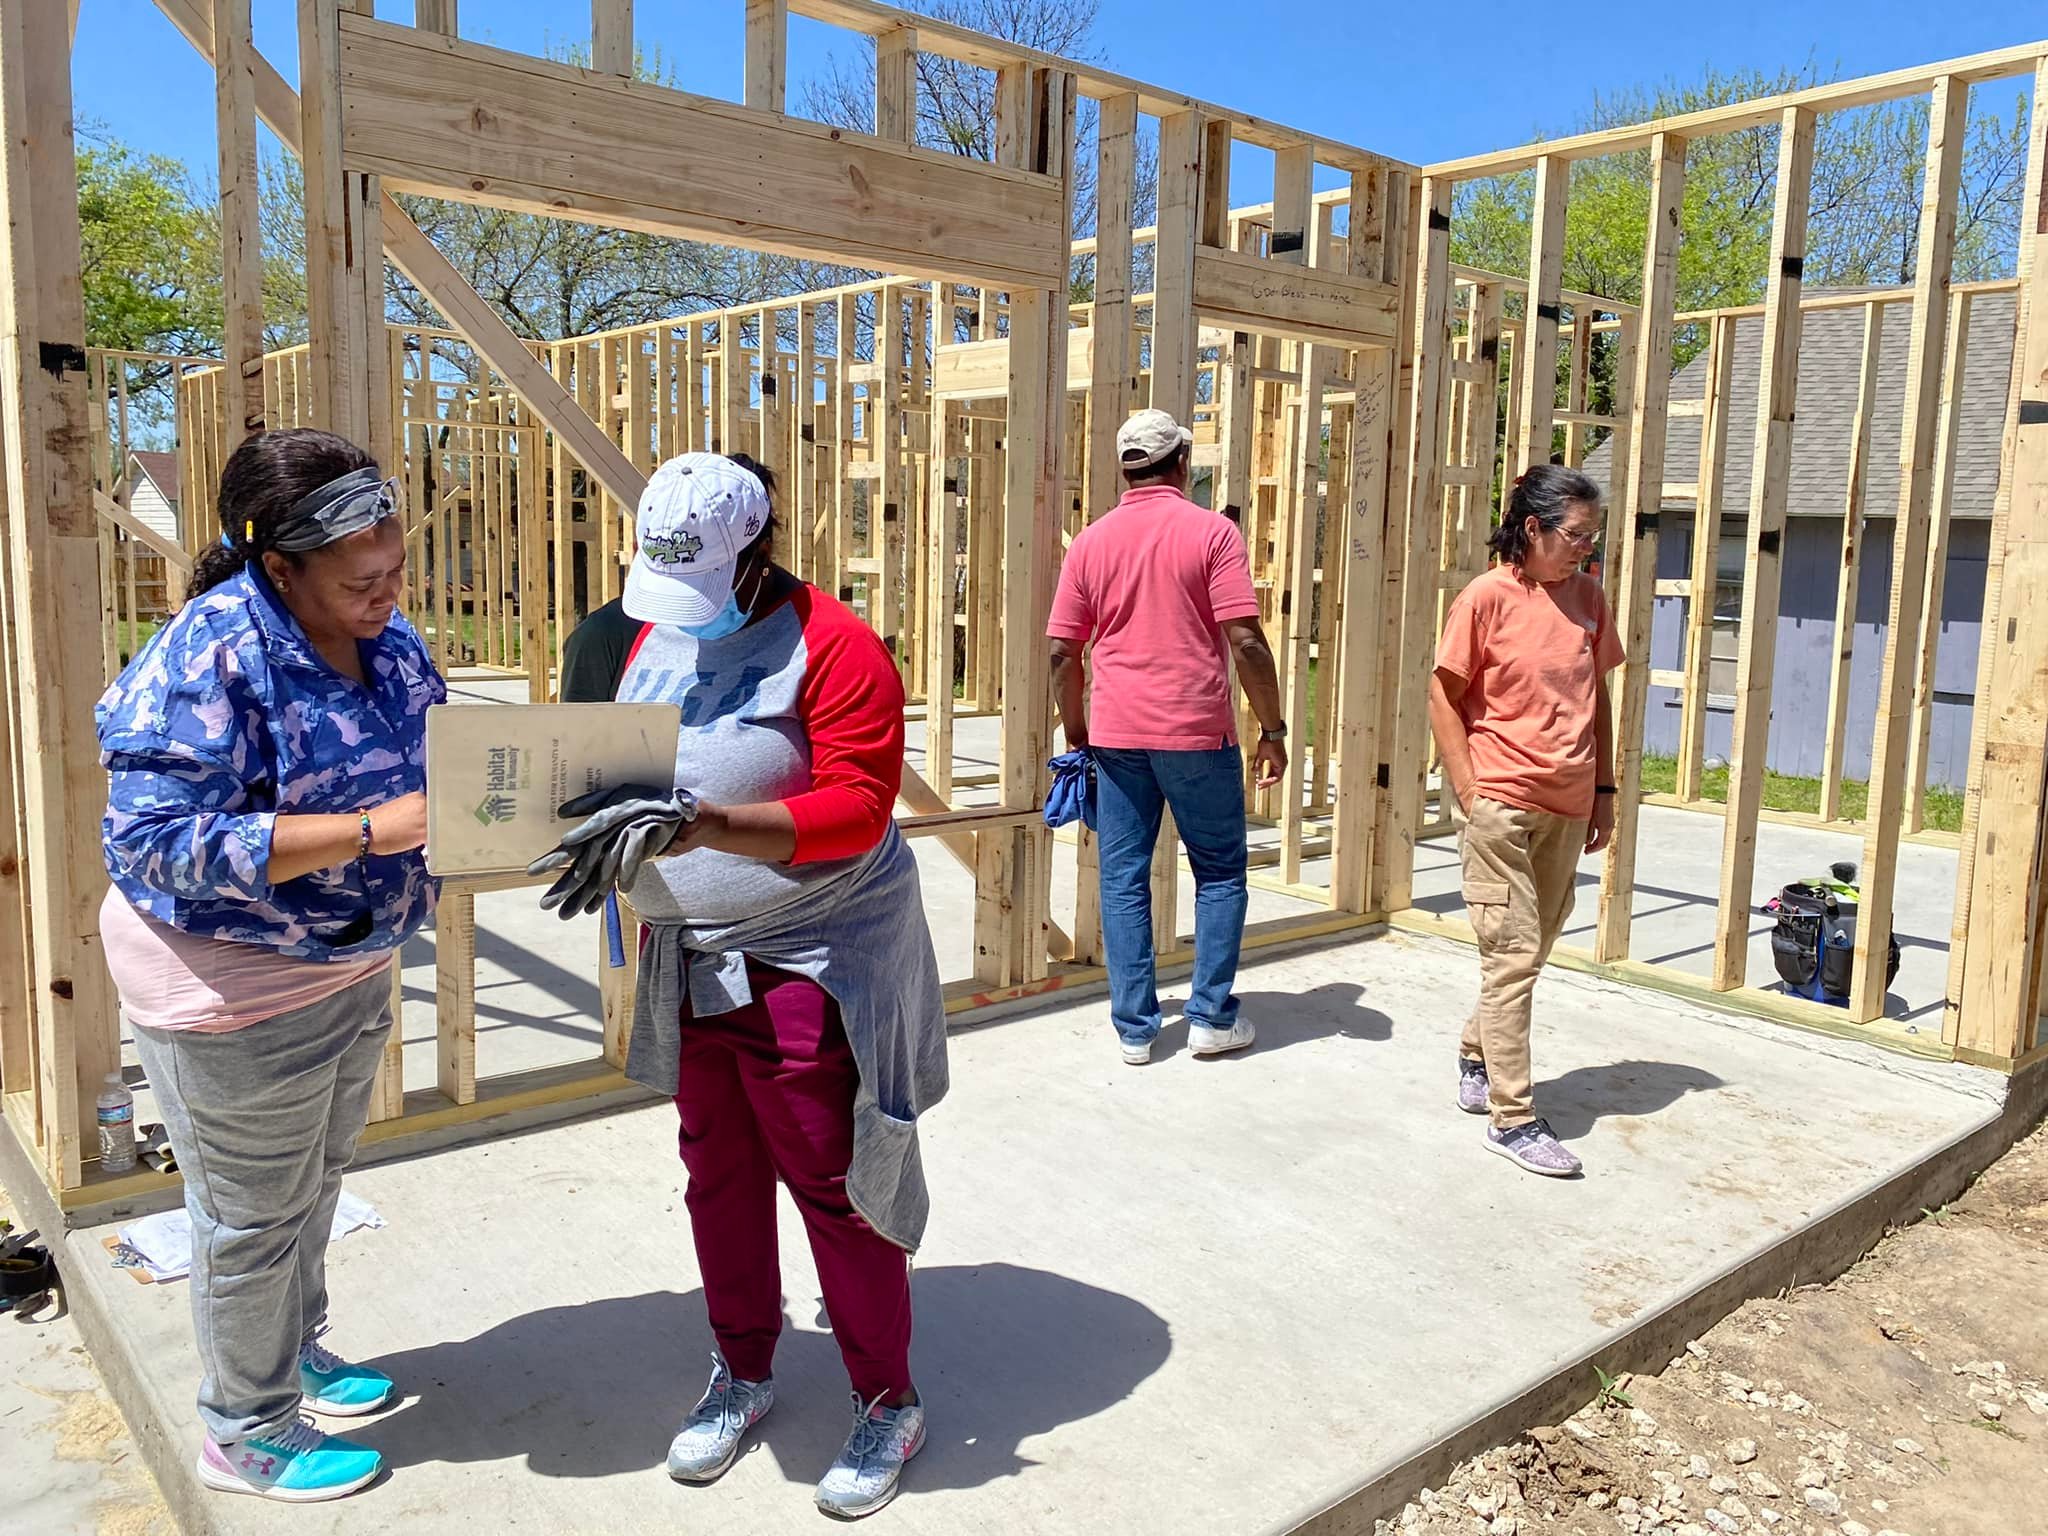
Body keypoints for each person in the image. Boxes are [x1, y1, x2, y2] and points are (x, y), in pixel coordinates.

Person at [535, 451, 947, 1520]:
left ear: (755, 550)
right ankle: (744, 1368)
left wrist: (710, 824)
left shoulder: (833, 644)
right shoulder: (631, 632)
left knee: (832, 1175)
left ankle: (887, 1398)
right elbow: (591, 761)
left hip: (809, 950)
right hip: (689, 954)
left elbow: (857, 806)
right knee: (716, 1171)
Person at [95, 428, 441, 1502]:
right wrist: (370, 831)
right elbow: (152, 841)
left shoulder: (386, 638)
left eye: (393, 571)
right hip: (231, 983)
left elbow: (434, 751)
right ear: (279, 567)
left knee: (314, 1187)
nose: (384, 595)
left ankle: (291, 1353)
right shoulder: (208, 656)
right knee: (250, 1221)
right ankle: (244, 1431)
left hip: (347, 962)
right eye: (358, 583)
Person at [1046, 408, 1288, 1067]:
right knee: (1219, 871)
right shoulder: (1212, 533)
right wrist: (1272, 730)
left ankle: (1135, 1030)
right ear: (1181, 462)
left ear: (1126, 470)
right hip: (1196, 734)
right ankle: (1209, 1019)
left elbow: (1063, 652)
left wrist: (1078, 733)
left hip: (1116, 737)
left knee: (1123, 877)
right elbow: (1246, 641)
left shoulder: (1090, 542)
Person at [1429, 464, 1622, 1179]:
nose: (1586, 549)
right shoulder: (1486, 597)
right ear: (1533, 528)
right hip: (1501, 804)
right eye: (1576, 535)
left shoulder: (1589, 598)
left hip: (1567, 804)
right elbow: (1443, 694)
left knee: (1531, 951)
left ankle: (1476, 1055)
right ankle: (1513, 1119)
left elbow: (1596, 700)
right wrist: (1469, 787)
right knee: (1510, 957)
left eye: (1593, 537)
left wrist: (1605, 790)